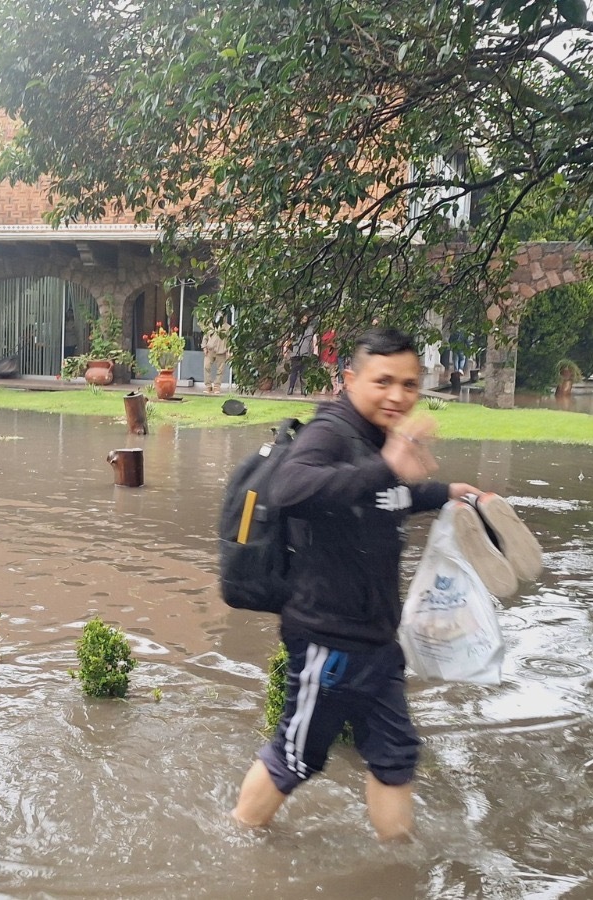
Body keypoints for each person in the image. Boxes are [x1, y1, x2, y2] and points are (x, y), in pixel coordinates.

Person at [230, 327, 482, 841]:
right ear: (350, 379)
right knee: (295, 757)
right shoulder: (331, 432)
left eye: (410, 384)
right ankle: (238, 843)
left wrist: (445, 492)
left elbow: (388, 500)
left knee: (395, 755)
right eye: (383, 381)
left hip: (376, 641)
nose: (398, 395)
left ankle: (399, 868)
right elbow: (289, 488)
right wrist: (386, 465)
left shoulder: (377, 440)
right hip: (328, 640)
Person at [285, 317, 318, 396]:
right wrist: (286, 350)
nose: (303, 320)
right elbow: (289, 340)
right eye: (302, 319)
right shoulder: (295, 329)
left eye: (305, 319)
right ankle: (291, 388)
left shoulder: (311, 329)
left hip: (306, 354)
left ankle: (303, 389)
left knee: (304, 373)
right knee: (294, 372)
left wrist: (315, 351)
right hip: (295, 353)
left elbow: (314, 340)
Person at [201, 312, 230, 394]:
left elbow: (230, 341)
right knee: (206, 367)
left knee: (220, 370)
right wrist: (204, 347)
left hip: (221, 352)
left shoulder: (228, 328)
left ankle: (217, 387)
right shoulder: (211, 326)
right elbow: (205, 337)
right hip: (210, 351)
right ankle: (208, 386)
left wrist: (229, 351)